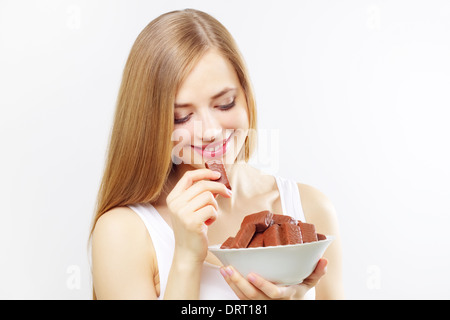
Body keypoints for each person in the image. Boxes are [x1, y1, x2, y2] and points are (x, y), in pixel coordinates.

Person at [90, 8, 344, 300]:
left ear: (246, 95)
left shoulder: (310, 208)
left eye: (224, 104)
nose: (210, 131)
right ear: (151, 124)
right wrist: (185, 258)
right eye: (182, 117)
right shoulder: (123, 232)